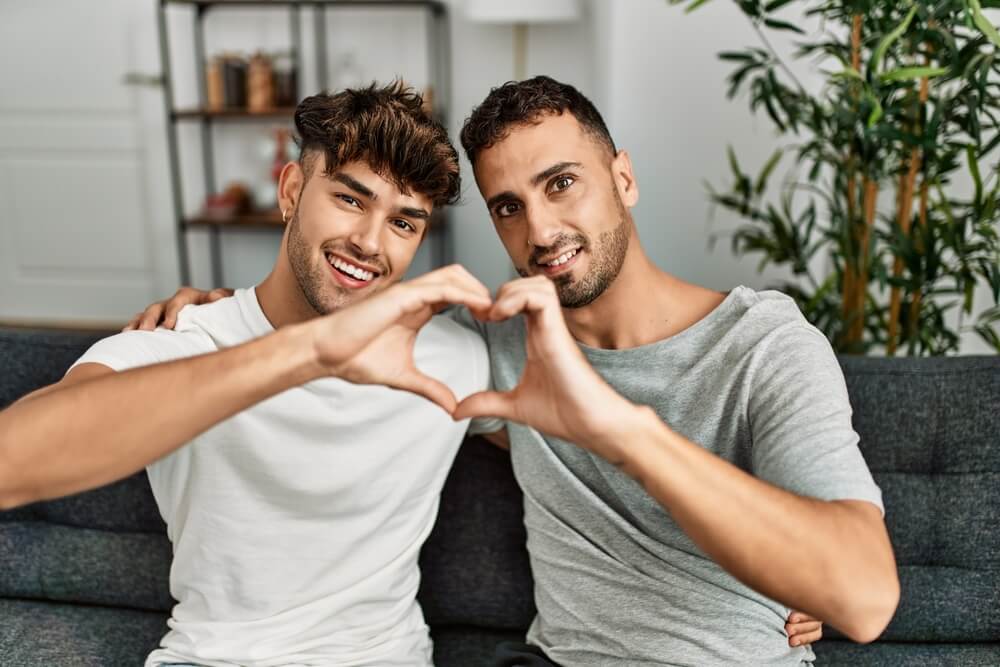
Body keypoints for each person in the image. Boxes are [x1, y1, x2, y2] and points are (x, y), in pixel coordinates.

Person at [141, 76, 897, 666]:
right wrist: (220, 308)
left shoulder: (763, 344)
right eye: (508, 206)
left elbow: (862, 594)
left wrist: (802, 565)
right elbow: (333, 320)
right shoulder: (496, 344)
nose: (539, 230)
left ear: (623, 179)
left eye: (561, 183)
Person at [0, 82, 499, 667]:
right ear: (291, 191)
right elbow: (13, 461)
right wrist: (307, 352)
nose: (369, 243)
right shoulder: (184, 342)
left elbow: (586, 457)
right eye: (350, 199)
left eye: (404, 223)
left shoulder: (455, 359)